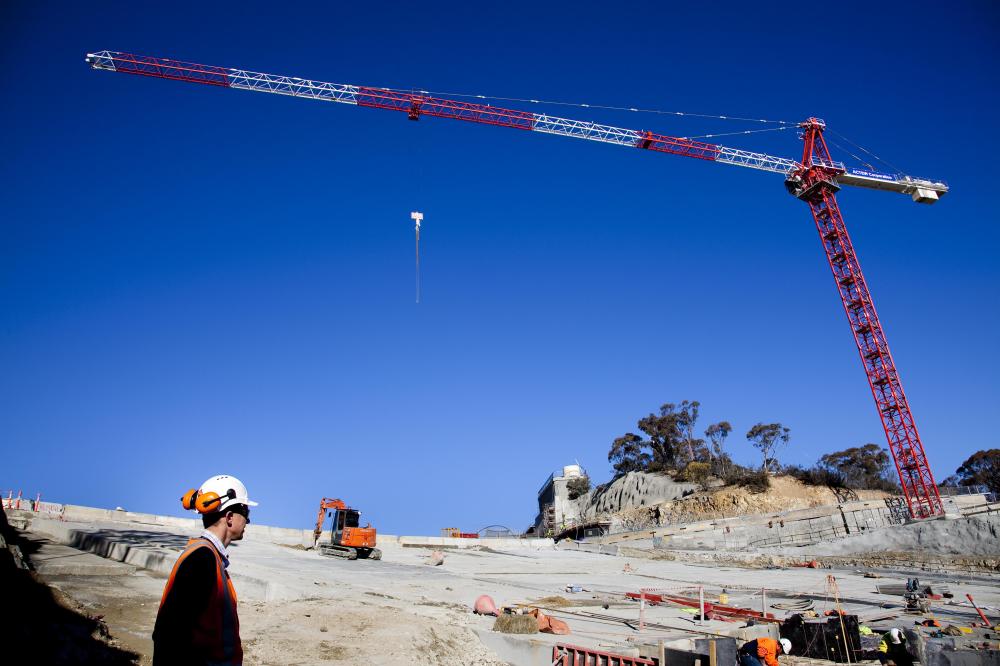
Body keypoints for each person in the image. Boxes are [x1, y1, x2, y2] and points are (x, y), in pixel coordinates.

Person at [152, 474, 257, 666]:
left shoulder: (209, 557)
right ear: (230, 517)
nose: (248, 521)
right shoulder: (202, 559)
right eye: (246, 513)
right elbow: (170, 634)